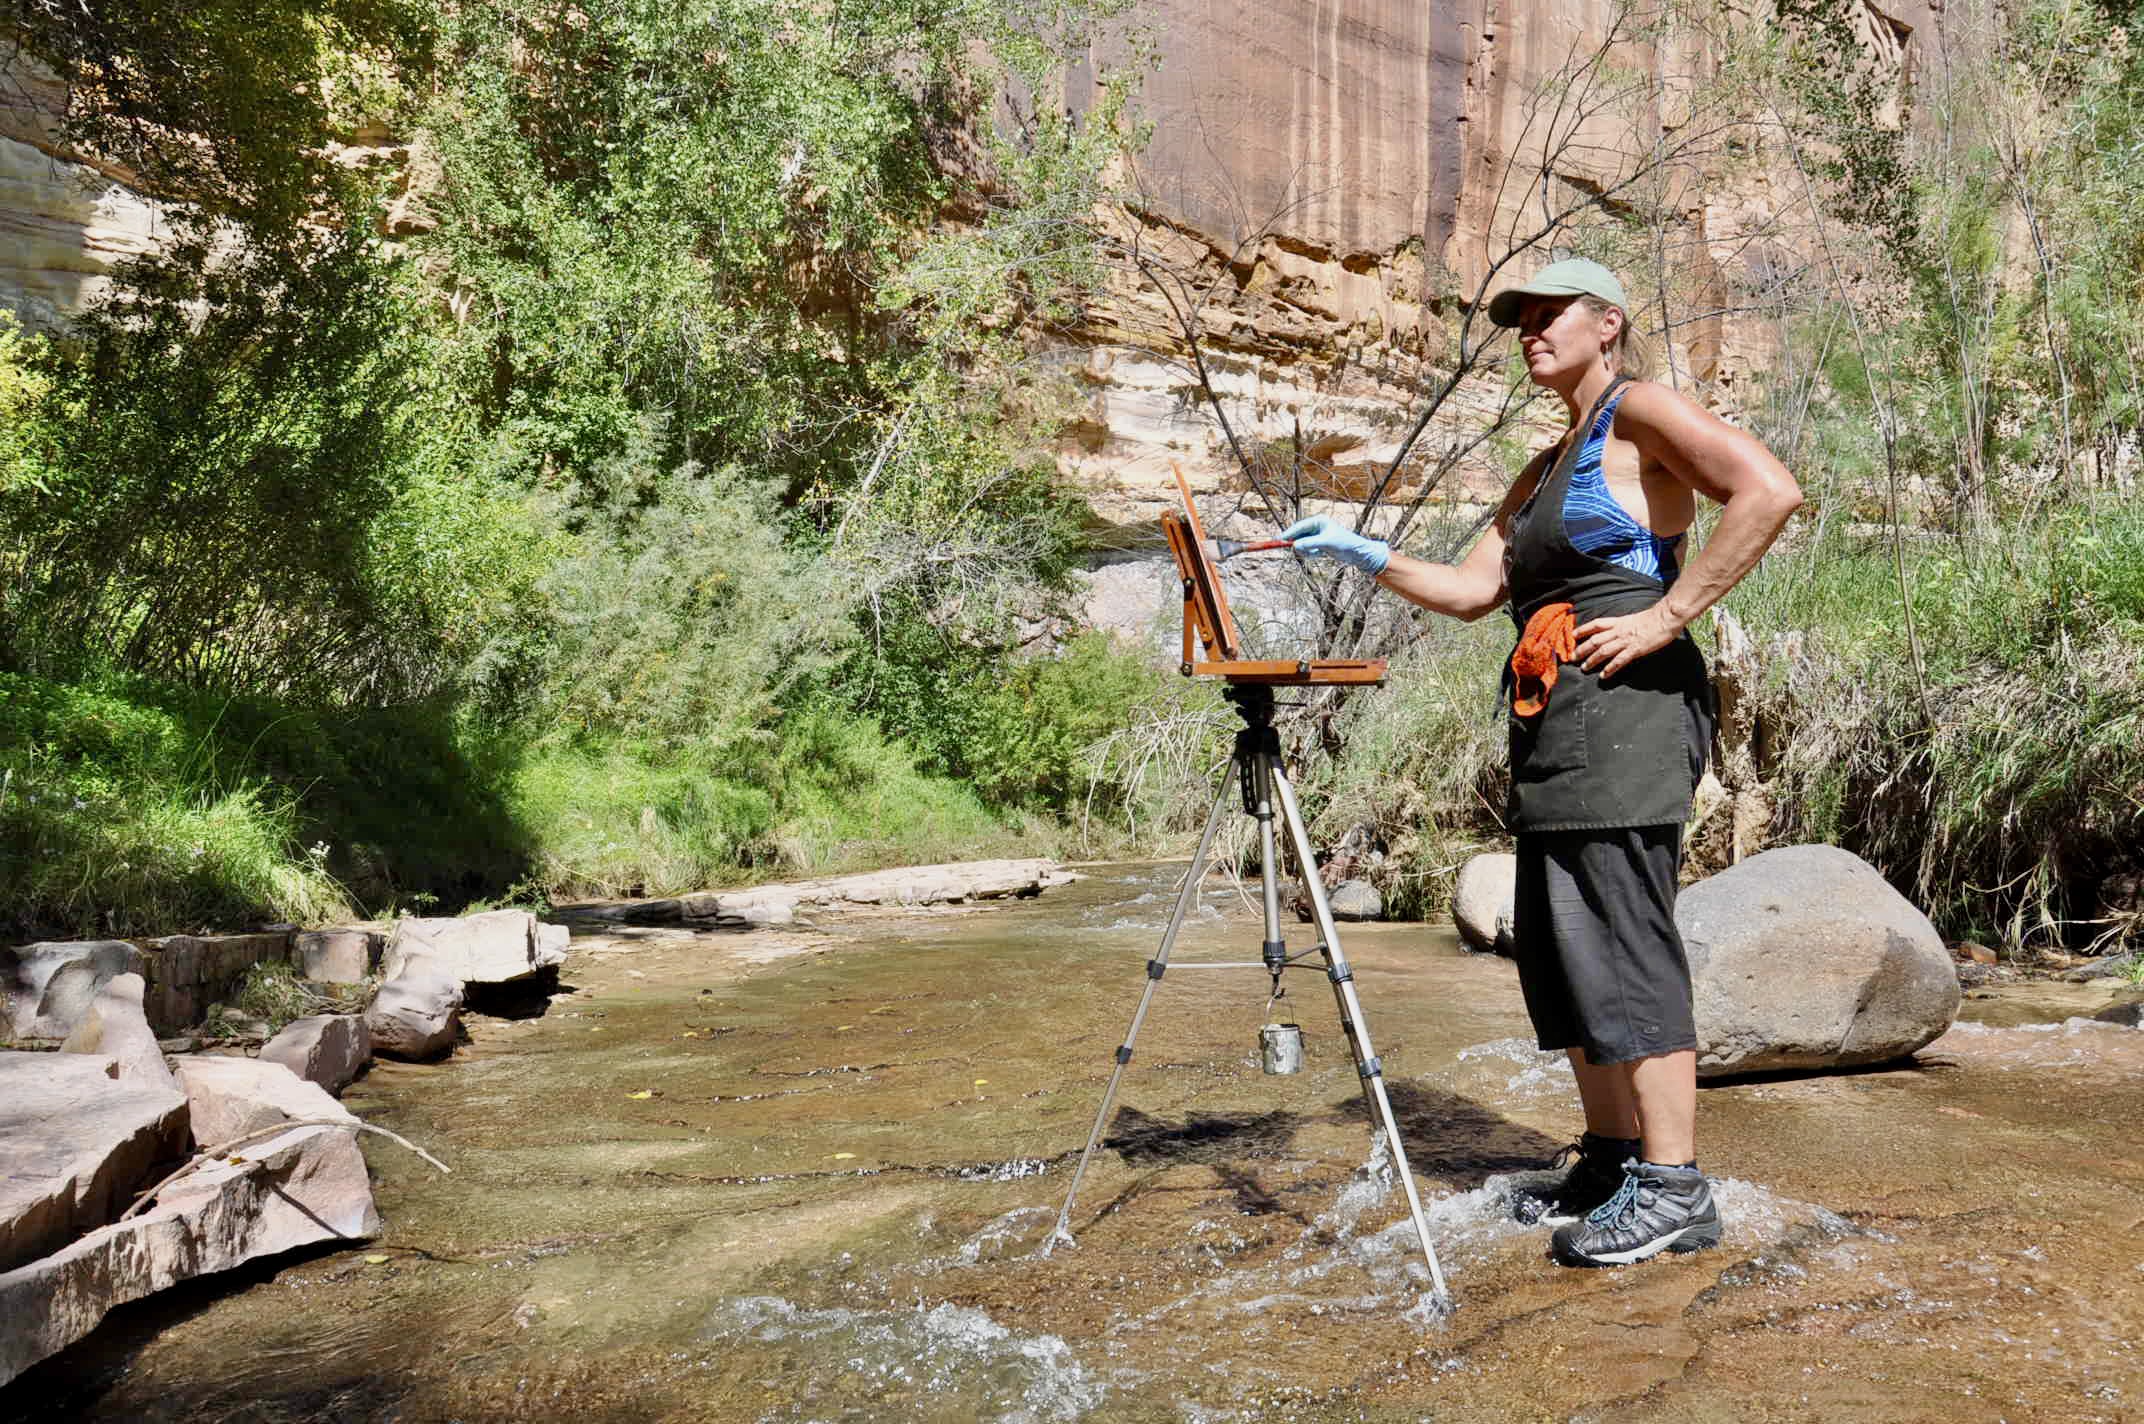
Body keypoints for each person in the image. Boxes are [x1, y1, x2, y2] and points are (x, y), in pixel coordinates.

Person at [1281, 257, 1802, 1268]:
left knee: (1621, 935)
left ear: (1606, 322)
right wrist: (1363, 550)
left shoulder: (1638, 409)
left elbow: (1765, 490)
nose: (1526, 328)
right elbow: (1475, 589)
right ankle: (1611, 1159)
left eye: (1545, 312)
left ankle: (1674, 1186)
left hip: (1626, 708)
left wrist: (1666, 615)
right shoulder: (1542, 464)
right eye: (1514, 317)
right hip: (1556, 716)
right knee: (1564, 947)